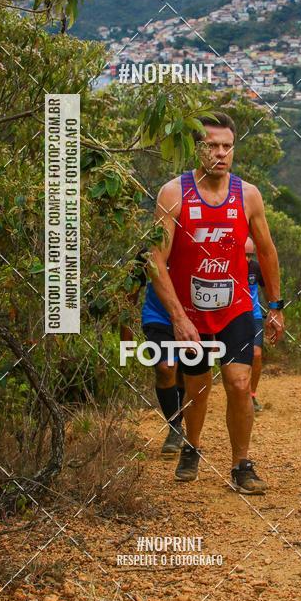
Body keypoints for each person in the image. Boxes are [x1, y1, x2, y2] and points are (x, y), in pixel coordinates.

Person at [141, 112, 284, 494]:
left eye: (227, 146)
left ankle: (241, 465)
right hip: (190, 313)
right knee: (198, 385)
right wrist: (177, 318)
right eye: (212, 146)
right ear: (196, 148)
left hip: (234, 308)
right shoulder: (173, 193)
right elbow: (155, 259)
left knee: (239, 383)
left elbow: (267, 251)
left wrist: (275, 304)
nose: (220, 153)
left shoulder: (248, 195)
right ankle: (192, 445)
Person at [121, 251, 186, 456]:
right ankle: (175, 427)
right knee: (166, 368)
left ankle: (182, 423)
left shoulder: (195, 245)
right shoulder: (146, 254)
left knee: (185, 375)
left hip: (192, 317)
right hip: (157, 318)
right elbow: (129, 295)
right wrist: (126, 337)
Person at [245, 236, 265, 413]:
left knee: (256, 354)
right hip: (234, 318)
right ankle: (238, 394)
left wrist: (274, 311)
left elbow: (267, 288)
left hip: (255, 316)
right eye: (243, 254)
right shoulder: (226, 267)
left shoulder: (256, 268)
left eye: (249, 255)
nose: (246, 258)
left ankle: (252, 394)